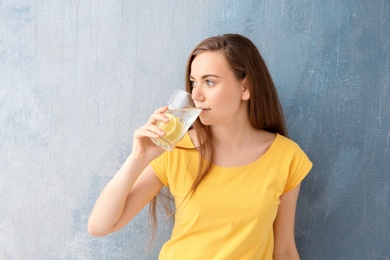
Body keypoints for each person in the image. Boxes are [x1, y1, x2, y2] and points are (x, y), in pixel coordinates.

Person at [88, 34, 313, 259]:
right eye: (194, 82)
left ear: (246, 87)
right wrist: (138, 158)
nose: (196, 94)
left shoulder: (286, 157)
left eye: (210, 82)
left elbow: (283, 250)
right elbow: (99, 226)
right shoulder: (175, 149)